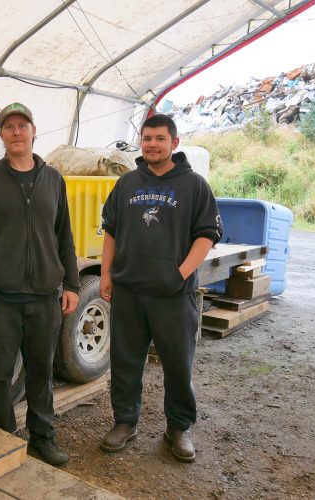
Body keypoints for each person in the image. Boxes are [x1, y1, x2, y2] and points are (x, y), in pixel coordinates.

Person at [0, 102, 80, 466]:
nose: (16, 132)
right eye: (9, 127)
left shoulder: (53, 179)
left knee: (41, 372)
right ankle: (2, 438)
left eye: (22, 126)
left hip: (45, 297)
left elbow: (65, 238)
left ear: (33, 131)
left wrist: (72, 284)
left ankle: (43, 438)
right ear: (1, 135)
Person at [98, 113, 223, 462]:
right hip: (129, 292)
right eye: (147, 138)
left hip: (173, 295)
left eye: (160, 139)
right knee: (125, 361)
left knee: (178, 364)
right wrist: (106, 274)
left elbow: (207, 235)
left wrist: (179, 274)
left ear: (174, 143)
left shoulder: (194, 185)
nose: (153, 144)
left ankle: (178, 428)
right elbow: (111, 230)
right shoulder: (127, 183)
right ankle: (125, 422)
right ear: (141, 141)